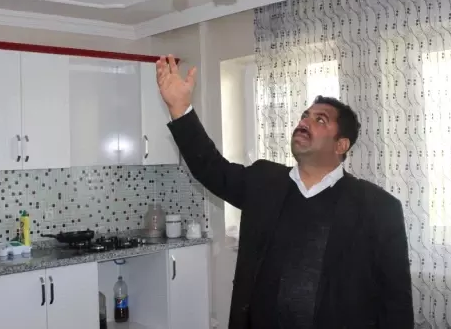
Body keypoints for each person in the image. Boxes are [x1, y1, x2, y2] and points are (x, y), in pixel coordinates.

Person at [156, 55, 413, 329]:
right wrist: (180, 108)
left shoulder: (378, 208)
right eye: (305, 116)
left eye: (320, 120)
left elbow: (395, 302)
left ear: (341, 145)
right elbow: (210, 167)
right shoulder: (263, 181)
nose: (305, 122)